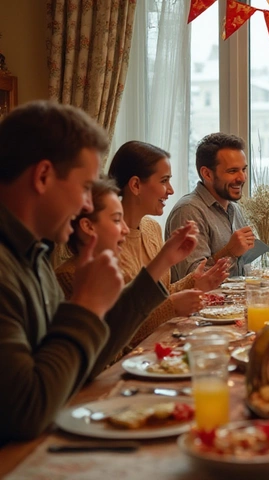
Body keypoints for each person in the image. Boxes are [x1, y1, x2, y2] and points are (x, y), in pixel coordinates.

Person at [0, 101, 197, 442]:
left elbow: (78, 365)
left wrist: (101, 303)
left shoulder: (33, 255)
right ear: (43, 176)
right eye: (84, 187)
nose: (87, 206)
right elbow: (24, 412)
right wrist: (85, 307)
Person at [55, 177, 194, 350]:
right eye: (116, 220)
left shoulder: (106, 269)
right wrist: (171, 306)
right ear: (88, 226)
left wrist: (187, 276)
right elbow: (110, 344)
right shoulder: (70, 275)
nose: (126, 229)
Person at [108, 141, 229, 323]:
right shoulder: (107, 240)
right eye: (164, 181)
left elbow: (159, 293)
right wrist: (171, 308)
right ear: (135, 185)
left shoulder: (151, 228)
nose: (171, 190)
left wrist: (195, 282)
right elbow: (117, 324)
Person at [165, 133, 255, 280]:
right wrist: (229, 251)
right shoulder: (189, 211)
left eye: (243, 169)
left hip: (234, 302)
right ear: (207, 174)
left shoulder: (235, 209)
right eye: (232, 171)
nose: (242, 178)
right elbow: (192, 280)